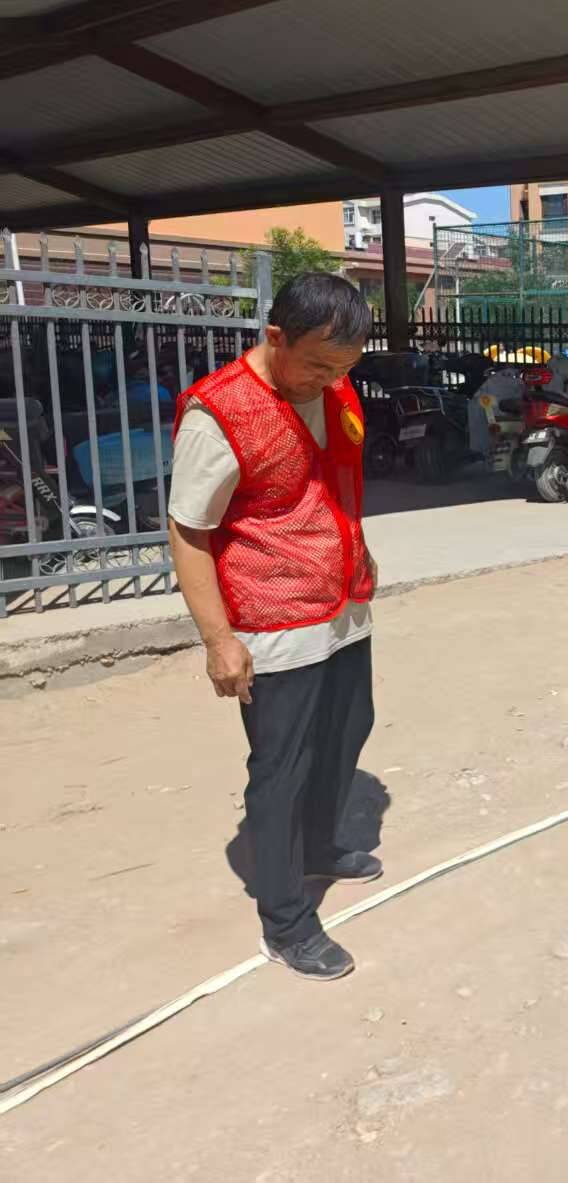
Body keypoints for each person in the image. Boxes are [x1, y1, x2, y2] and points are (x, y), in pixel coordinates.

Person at [168, 273, 380, 983]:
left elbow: (335, 480)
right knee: (281, 768)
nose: (331, 380)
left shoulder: (334, 388)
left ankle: (318, 846)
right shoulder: (220, 413)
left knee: (348, 729)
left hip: (343, 602)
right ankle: (286, 922)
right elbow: (189, 530)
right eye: (318, 364)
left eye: (344, 367)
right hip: (273, 620)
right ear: (276, 337)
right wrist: (218, 640)